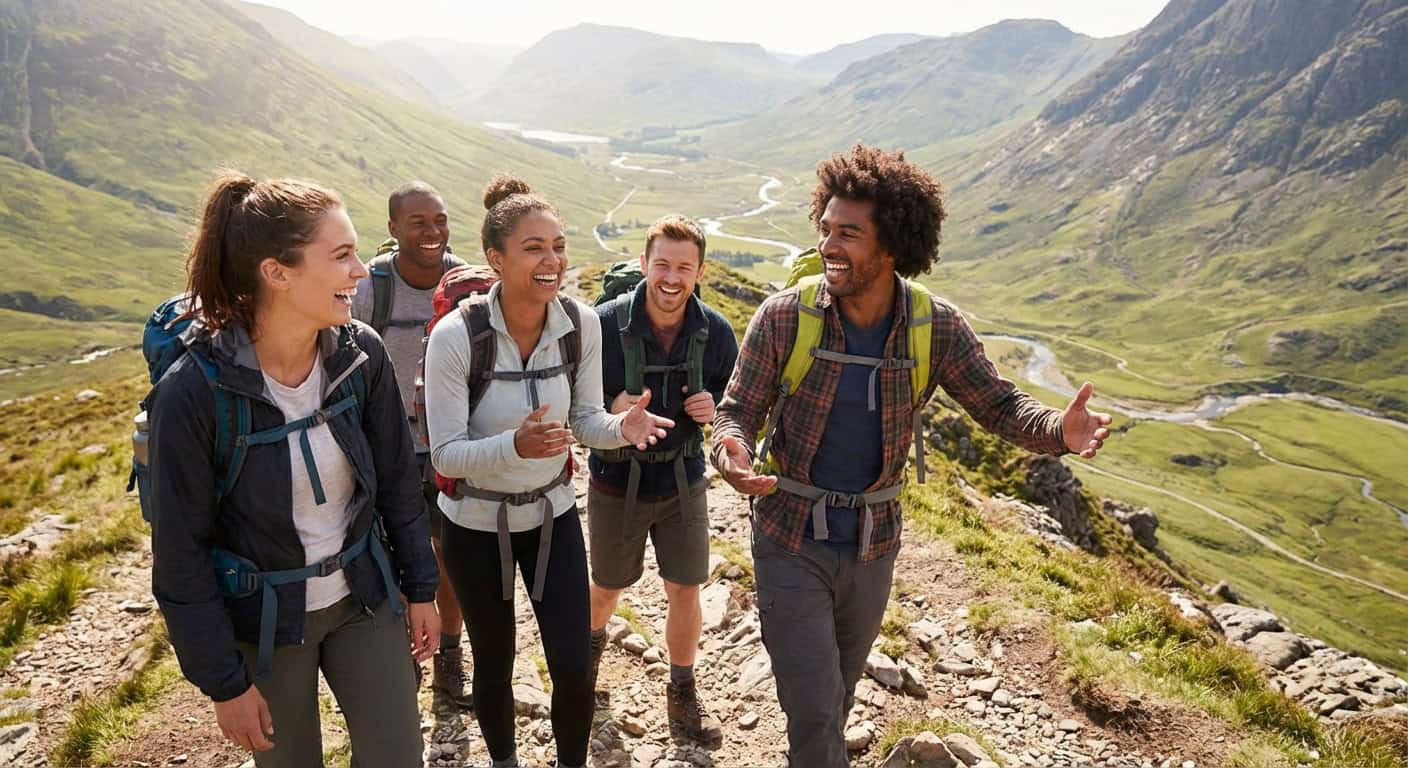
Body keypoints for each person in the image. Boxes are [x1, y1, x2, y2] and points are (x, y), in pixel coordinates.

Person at [710, 144, 1113, 767]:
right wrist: (731, 452)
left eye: (849, 233)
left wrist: (1061, 429)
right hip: (789, 537)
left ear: (893, 244)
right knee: (815, 710)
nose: (828, 245)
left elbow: (1000, 407)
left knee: (837, 697)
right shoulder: (786, 318)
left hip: (874, 544)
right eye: (826, 229)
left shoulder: (936, 328)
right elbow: (737, 409)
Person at [148, 172, 439, 766]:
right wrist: (225, 684)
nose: (361, 272)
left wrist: (420, 589)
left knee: (399, 758)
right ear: (276, 272)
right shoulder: (193, 394)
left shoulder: (361, 355)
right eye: (341, 256)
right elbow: (180, 553)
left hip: (362, 593)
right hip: (265, 620)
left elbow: (397, 484)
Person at [424, 175, 674, 768]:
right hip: (474, 525)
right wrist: (516, 443)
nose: (552, 260)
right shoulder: (456, 337)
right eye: (534, 247)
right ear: (496, 259)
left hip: (552, 514)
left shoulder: (579, 322)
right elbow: (444, 455)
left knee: (571, 660)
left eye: (557, 246)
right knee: (495, 659)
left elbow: (584, 418)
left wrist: (621, 431)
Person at [586, 215, 738, 740]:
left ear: (699, 271)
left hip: (683, 480)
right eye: (663, 265)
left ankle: (682, 689)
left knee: (685, 589)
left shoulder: (715, 332)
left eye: (684, 268)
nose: (671, 278)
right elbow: (573, 404)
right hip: (614, 479)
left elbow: (733, 406)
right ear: (646, 263)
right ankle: (584, 671)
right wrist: (613, 406)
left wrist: (712, 407)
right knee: (606, 588)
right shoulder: (603, 324)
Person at [351, 180, 473, 711]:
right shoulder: (371, 289)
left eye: (440, 220)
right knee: (392, 552)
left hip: (449, 440)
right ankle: (405, 656)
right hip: (386, 442)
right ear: (393, 229)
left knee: (450, 554)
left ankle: (449, 654)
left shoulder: (466, 282)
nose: (433, 232)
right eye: (418, 222)